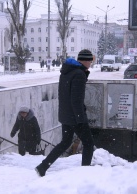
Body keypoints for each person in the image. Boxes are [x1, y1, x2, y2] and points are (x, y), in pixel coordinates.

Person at [35, 49, 95, 177]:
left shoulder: (67, 72)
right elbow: (76, 99)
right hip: (75, 116)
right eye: (90, 61)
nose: (91, 63)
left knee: (65, 142)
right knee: (89, 143)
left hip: (66, 114)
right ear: (85, 60)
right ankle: (85, 174)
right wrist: (80, 118)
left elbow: (65, 96)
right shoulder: (79, 74)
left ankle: (43, 166)